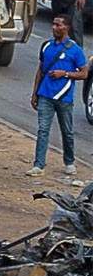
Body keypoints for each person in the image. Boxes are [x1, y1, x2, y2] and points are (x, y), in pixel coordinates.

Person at [28, 14, 86, 177]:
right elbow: (40, 70)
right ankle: (38, 165)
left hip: (64, 97)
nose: (54, 28)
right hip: (45, 95)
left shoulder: (75, 50)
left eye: (58, 25)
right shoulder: (46, 46)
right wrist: (35, 93)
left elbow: (84, 73)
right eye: (53, 24)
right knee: (43, 130)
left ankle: (69, 162)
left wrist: (65, 74)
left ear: (66, 27)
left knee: (67, 131)